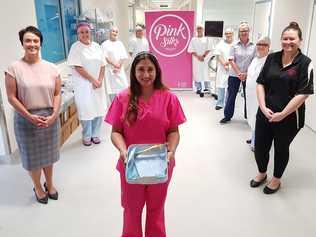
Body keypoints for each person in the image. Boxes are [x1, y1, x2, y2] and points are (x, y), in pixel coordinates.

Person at [105, 52, 186, 236]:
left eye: (150, 69)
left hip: (161, 164)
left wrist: (171, 151)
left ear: (157, 71)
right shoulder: (122, 97)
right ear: (133, 71)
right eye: (141, 69)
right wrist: (123, 150)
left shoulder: (168, 98)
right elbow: (116, 132)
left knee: (156, 209)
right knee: (132, 210)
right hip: (131, 164)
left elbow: (173, 131)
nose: (146, 74)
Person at [250, 22, 314, 194]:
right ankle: (262, 173)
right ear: (281, 40)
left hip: (290, 117)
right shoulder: (272, 58)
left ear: (300, 40)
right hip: (265, 112)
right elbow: (261, 83)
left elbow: (304, 93)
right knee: (261, 146)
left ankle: (276, 179)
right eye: (285, 38)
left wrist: (283, 113)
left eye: (292, 39)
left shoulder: (305, 63)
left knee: (281, 147)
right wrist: (262, 106)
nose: (288, 42)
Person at [5, 26, 61, 204]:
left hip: (49, 117)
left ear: (40, 43)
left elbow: (57, 94)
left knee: (49, 156)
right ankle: (37, 186)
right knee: (33, 159)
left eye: (35, 41)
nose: (32, 44)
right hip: (25, 119)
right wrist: (30, 117)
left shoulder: (51, 68)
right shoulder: (14, 68)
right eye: (28, 40)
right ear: (22, 43)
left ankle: (49, 184)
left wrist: (54, 115)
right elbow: (11, 97)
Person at [68, 21, 106, 146]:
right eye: (81, 32)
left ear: (91, 33)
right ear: (77, 34)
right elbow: (78, 67)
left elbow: (102, 65)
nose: (84, 34)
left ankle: (96, 134)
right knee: (86, 110)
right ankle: (87, 135)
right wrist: (93, 80)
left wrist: (99, 80)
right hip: (84, 85)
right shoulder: (75, 47)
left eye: (87, 32)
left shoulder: (97, 46)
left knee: (98, 109)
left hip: (98, 85)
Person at [220, 22, 255, 123]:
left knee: (248, 96)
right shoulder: (234, 46)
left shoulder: (254, 46)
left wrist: (246, 74)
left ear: (249, 32)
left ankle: (248, 116)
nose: (244, 32)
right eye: (242, 31)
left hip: (248, 75)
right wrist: (239, 73)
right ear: (239, 33)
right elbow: (231, 60)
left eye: (246, 31)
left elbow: (254, 62)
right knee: (231, 95)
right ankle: (227, 116)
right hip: (234, 75)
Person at [245, 36, 270, 151]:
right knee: (251, 116)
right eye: (258, 44)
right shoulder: (255, 59)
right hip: (250, 95)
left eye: (263, 44)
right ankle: (254, 136)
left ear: (268, 47)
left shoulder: (270, 61)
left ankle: (256, 142)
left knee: (258, 117)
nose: (260, 46)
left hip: (260, 96)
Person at [101, 26, 128, 102]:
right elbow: (105, 57)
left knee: (123, 88)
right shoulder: (104, 44)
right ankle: (114, 106)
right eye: (113, 31)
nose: (115, 33)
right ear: (109, 32)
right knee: (112, 91)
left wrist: (118, 66)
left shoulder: (120, 43)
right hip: (110, 71)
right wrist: (114, 65)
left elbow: (123, 56)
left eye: (116, 32)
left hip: (119, 69)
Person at [188, 25, 212, 97]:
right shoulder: (193, 39)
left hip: (205, 59)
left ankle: (207, 88)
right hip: (196, 59)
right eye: (198, 28)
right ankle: (198, 88)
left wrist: (203, 56)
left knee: (206, 72)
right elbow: (191, 50)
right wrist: (198, 56)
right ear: (196, 30)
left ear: (203, 29)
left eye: (200, 28)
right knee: (197, 73)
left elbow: (209, 48)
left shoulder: (207, 38)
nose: (199, 30)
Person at [213, 28, 234, 110]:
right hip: (222, 68)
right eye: (227, 33)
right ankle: (220, 103)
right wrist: (224, 63)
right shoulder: (220, 44)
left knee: (230, 86)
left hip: (233, 68)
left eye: (230, 33)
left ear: (233, 34)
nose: (228, 35)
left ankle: (228, 103)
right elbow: (218, 55)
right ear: (225, 34)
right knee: (221, 85)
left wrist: (229, 63)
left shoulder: (235, 44)